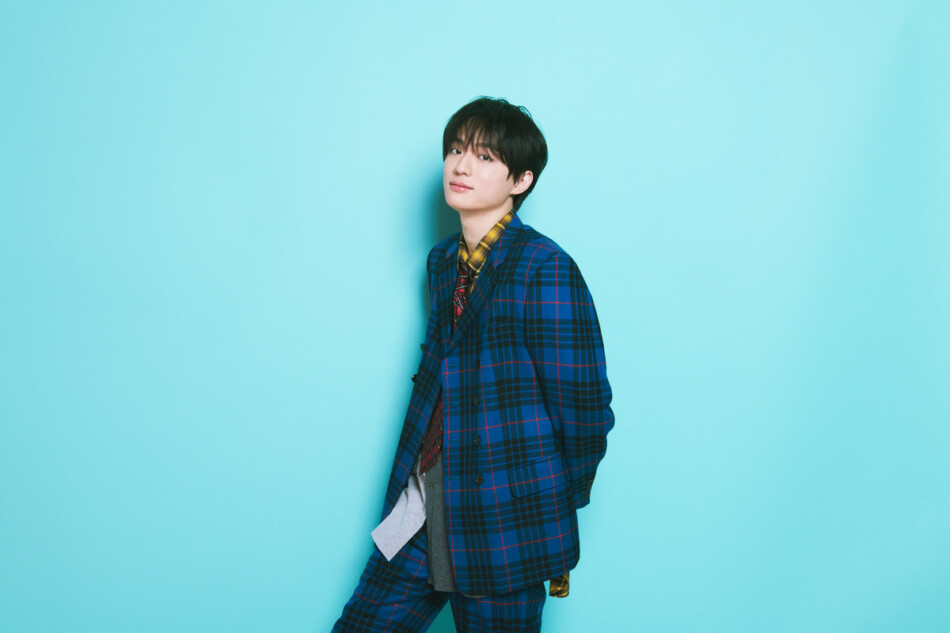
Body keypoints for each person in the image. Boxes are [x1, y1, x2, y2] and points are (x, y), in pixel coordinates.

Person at [332, 97, 614, 632]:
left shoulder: (545, 268)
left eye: (484, 157)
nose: (461, 165)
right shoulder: (442, 262)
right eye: (456, 150)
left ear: (521, 180)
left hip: (505, 519)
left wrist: (548, 506)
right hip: (424, 500)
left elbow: (584, 411)